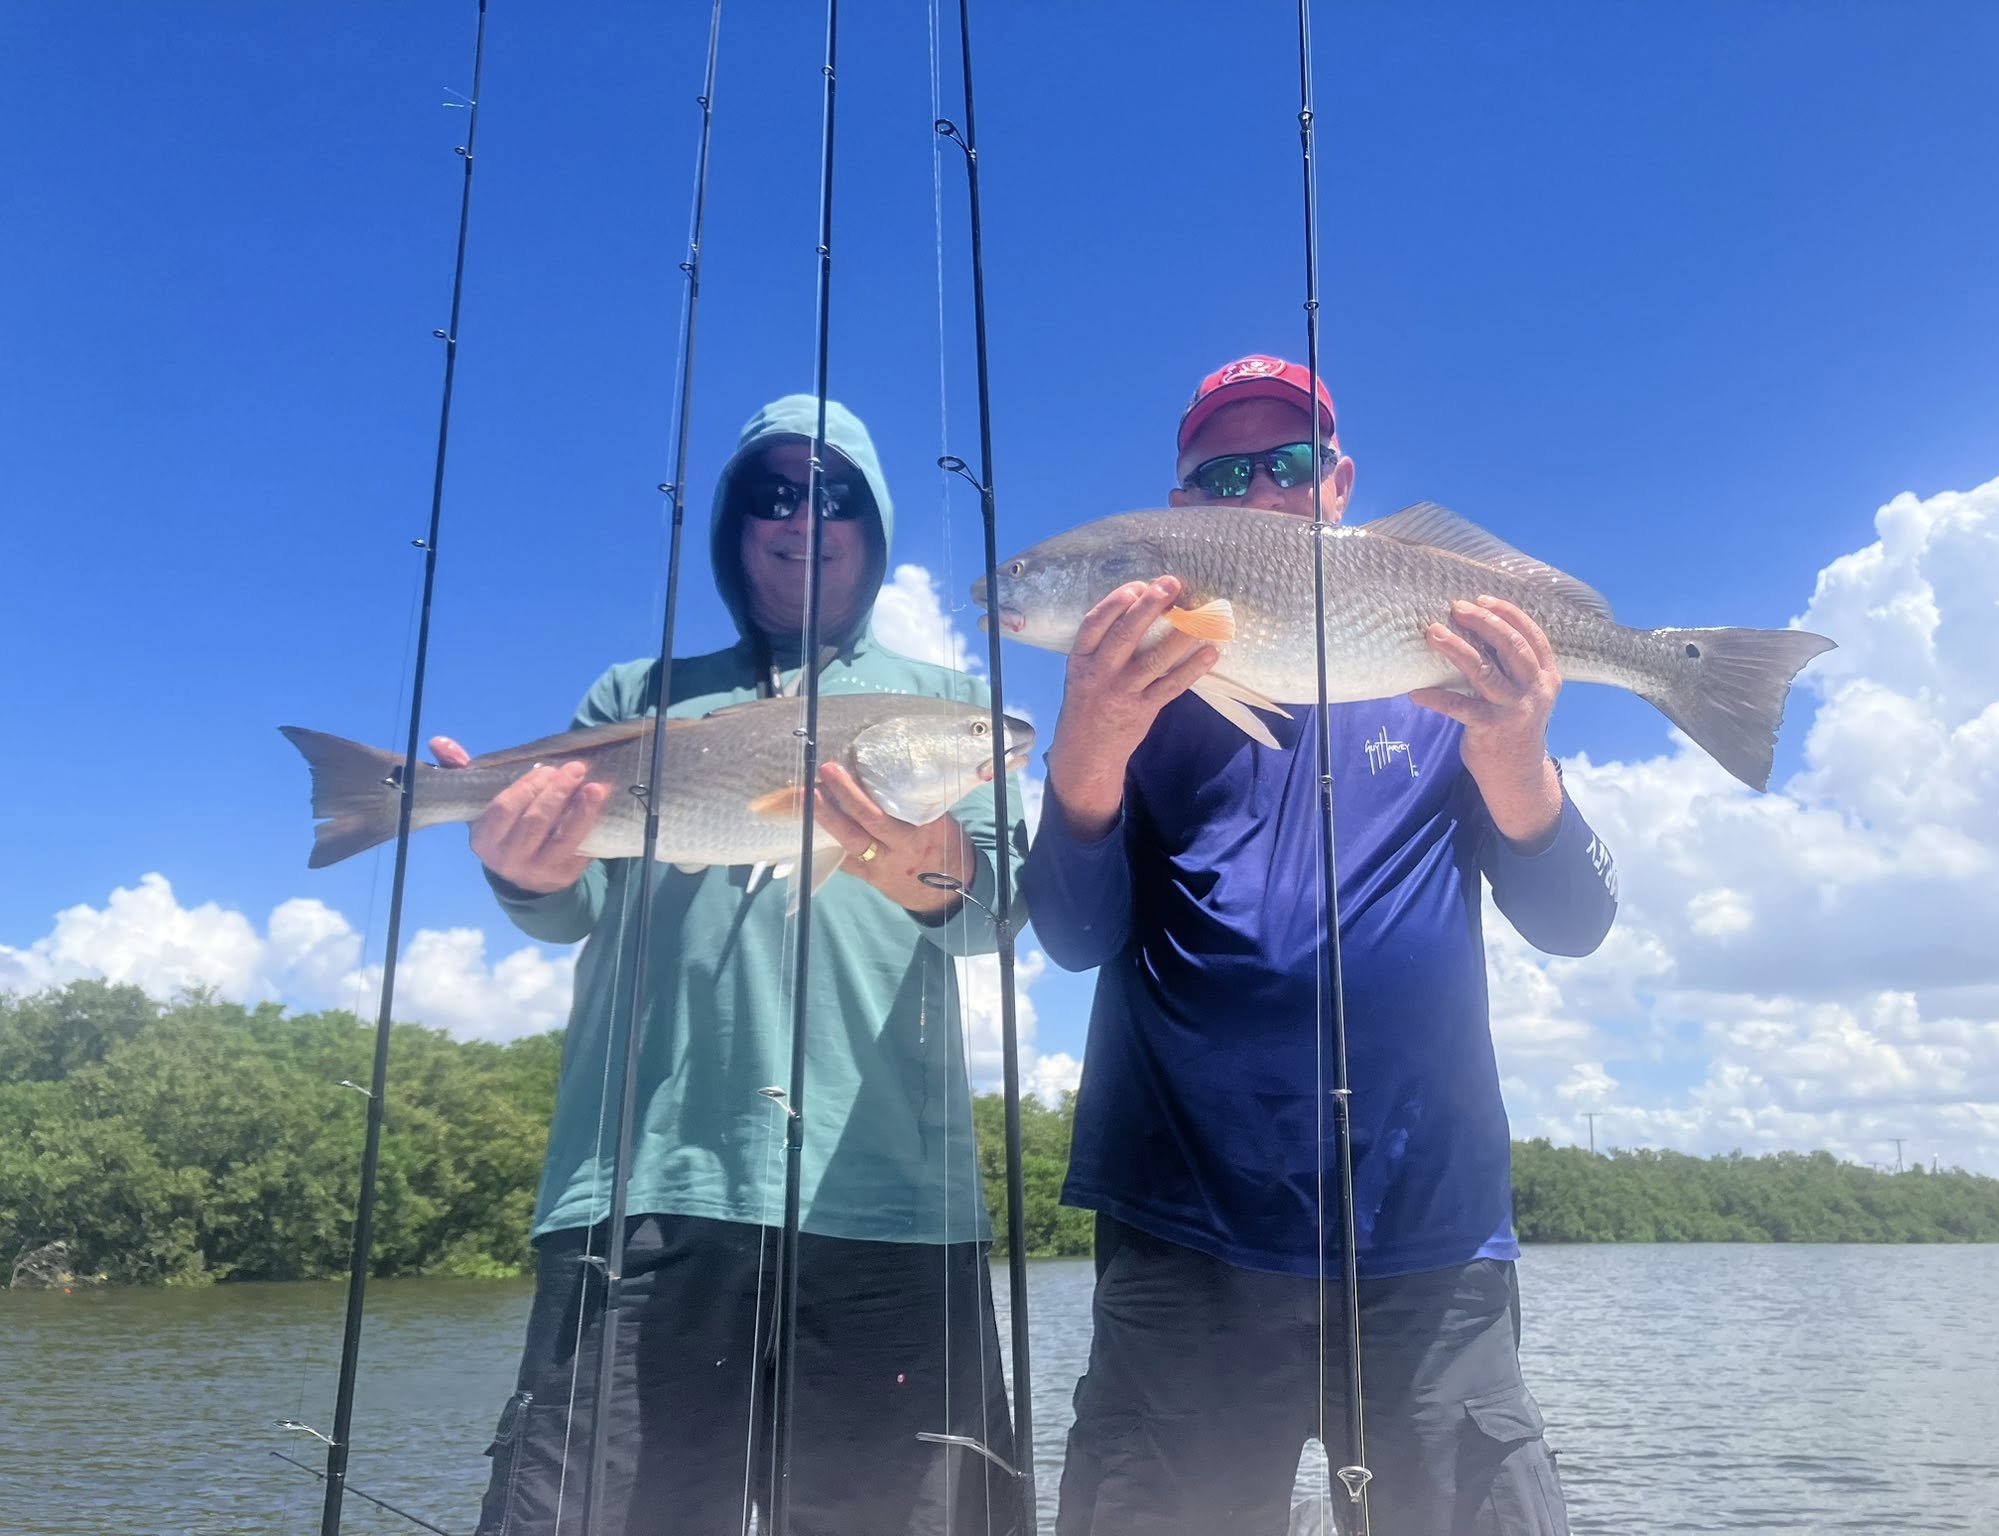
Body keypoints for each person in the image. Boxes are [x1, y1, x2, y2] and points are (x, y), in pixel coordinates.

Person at [1019, 354, 1618, 1536]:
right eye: (1223, 471)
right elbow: (1072, 934)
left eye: (1287, 464)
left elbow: (1574, 923)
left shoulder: (1441, 671)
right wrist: (1087, 743)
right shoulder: (1130, 697)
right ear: (1178, 510)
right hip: (1181, 1228)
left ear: (1337, 483)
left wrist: (1513, 758)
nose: (1259, 489)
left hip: (1427, 1236)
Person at [435, 394, 1026, 1536]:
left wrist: (920, 860)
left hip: (892, 1206)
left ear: (875, 524)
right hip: (646, 1193)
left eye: (836, 493)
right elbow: (569, 913)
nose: (804, 515)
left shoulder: (951, 707)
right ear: (731, 523)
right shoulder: (632, 699)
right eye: (773, 491)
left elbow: (987, 919)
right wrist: (526, 866)